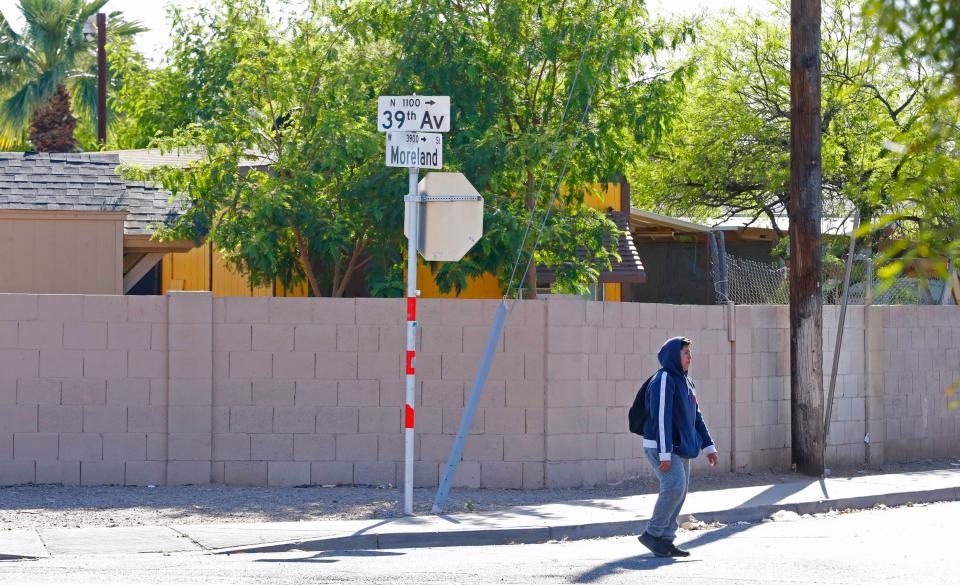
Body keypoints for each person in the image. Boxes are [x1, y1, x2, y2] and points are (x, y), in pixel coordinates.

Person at [637, 336, 718, 558]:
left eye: (690, 353)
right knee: (674, 486)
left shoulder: (686, 381)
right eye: (685, 353)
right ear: (674, 355)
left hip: (679, 446)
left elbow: (696, 416)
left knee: (680, 491)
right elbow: (661, 418)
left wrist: (709, 446)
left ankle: (666, 540)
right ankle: (652, 534)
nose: (690, 357)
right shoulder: (664, 379)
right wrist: (664, 453)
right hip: (661, 446)